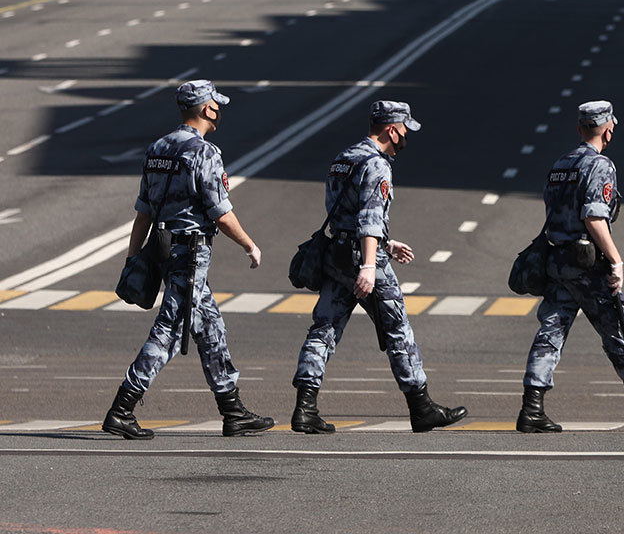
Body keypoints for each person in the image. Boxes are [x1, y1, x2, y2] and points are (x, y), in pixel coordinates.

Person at [102, 80, 273, 440]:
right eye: (217, 105)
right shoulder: (205, 153)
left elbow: (143, 213)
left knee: (210, 328)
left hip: (162, 249)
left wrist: (133, 258)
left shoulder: (157, 149)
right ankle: (122, 408)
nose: (219, 110)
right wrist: (249, 245)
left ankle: (232, 410)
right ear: (207, 109)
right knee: (168, 330)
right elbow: (220, 213)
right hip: (190, 254)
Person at [290, 101, 467, 434]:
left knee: (324, 328)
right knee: (397, 328)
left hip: (336, 255)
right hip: (362, 259)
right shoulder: (377, 165)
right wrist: (370, 265)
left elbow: (344, 214)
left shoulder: (344, 158)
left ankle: (304, 408)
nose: (406, 138)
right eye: (404, 130)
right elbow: (369, 220)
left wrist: (387, 242)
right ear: (392, 129)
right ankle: (421, 406)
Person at [518, 101, 624, 433]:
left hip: (557, 261)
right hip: (587, 264)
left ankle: (531, 409)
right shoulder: (600, 165)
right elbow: (594, 217)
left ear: (580, 128)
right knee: (618, 331)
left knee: (550, 333)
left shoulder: (559, 164)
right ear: (608, 129)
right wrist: (615, 260)